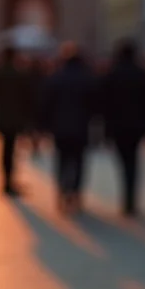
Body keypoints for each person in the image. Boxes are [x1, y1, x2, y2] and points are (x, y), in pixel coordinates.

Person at [101, 38, 145, 217]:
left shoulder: (111, 74)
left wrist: (105, 129)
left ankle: (126, 198)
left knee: (123, 161)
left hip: (117, 126)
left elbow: (105, 105)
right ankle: (131, 200)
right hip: (137, 126)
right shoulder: (143, 74)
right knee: (134, 161)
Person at [42, 42, 98, 214]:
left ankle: (61, 191)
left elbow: (46, 104)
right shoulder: (87, 78)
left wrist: (44, 125)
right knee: (79, 161)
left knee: (62, 160)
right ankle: (75, 192)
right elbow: (94, 105)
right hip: (81, 127)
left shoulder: (55, 78)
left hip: (60, 127)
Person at [0, 45, 30, 196]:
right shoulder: (19, 74)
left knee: (5, 150)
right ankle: (9, 181)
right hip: (15, 117)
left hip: (2, 116)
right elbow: (27, 98)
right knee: (11, 150)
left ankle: (6, 180)